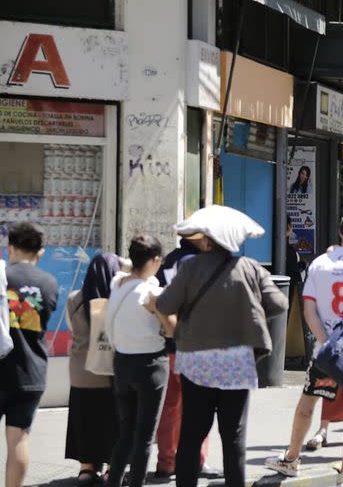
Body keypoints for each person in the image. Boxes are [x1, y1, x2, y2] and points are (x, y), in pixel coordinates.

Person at [146, 206, 288, 487]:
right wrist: (250, 313)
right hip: (237, 364)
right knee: (234, 436)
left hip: (195, 362)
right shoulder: (250, 268)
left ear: (209, 240)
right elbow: (280, 304)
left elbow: (164, 305)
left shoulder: (191, 268)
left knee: (191, 434)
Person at [265, 210, 343, 487]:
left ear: (340, 233)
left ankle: (292, 459)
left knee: (307, 403)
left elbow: (310, 311)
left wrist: (329, 341)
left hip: (325, 351)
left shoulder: (319, 264)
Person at [104, 235, 173, 487]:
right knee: (144, 436)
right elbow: (172, 328)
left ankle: (112, 483)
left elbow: (125, 265)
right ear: (155, 260)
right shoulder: (152, 293)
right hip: (150, 367)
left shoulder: (118, 284)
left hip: (121, 363)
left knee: (126, 433)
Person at [152, 234, 220, 481]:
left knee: (170, 408)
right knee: (199, 409)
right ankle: (197, 461)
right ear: (200, 238)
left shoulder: (169, 261)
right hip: (196, 346)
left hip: (168, 344)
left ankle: (166, 461)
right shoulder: (200, 263)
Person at [0, 222, 58, 487]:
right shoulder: (48, 283)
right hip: (30, 372)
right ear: (40, 253)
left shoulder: (3, 277)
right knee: (19, 439)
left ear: (9, 246)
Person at [65, 253, 123, 486]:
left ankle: (86, 469)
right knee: (115, 419)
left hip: (82, 370)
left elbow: (73, 329)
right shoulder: (119, 300)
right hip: (112, 369)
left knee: (84, 416)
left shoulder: (74, 299)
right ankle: (113, 468)